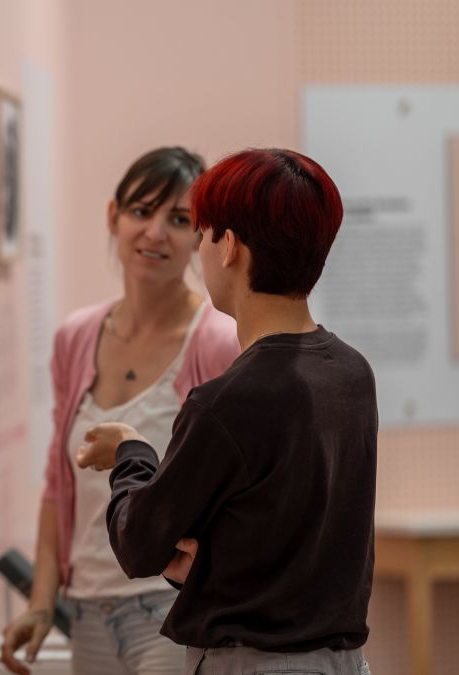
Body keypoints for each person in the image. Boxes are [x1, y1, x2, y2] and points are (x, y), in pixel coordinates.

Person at [76, 148, 375, 675]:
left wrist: (130, 451)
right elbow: (278, 540)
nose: (199, 248)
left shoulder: (228, 400)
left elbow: (140, 545)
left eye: (203, 232)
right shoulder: (352, 373)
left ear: (230, 246)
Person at [1, 147, 240, 675]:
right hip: (86, 608)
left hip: (172, 609)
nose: (155, 233)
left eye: (179, 220)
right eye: (140, 212)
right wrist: (42, 602)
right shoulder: (75, 337)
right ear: (114, 216)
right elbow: (57, 484)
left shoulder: (219, 342)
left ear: (201, 235)